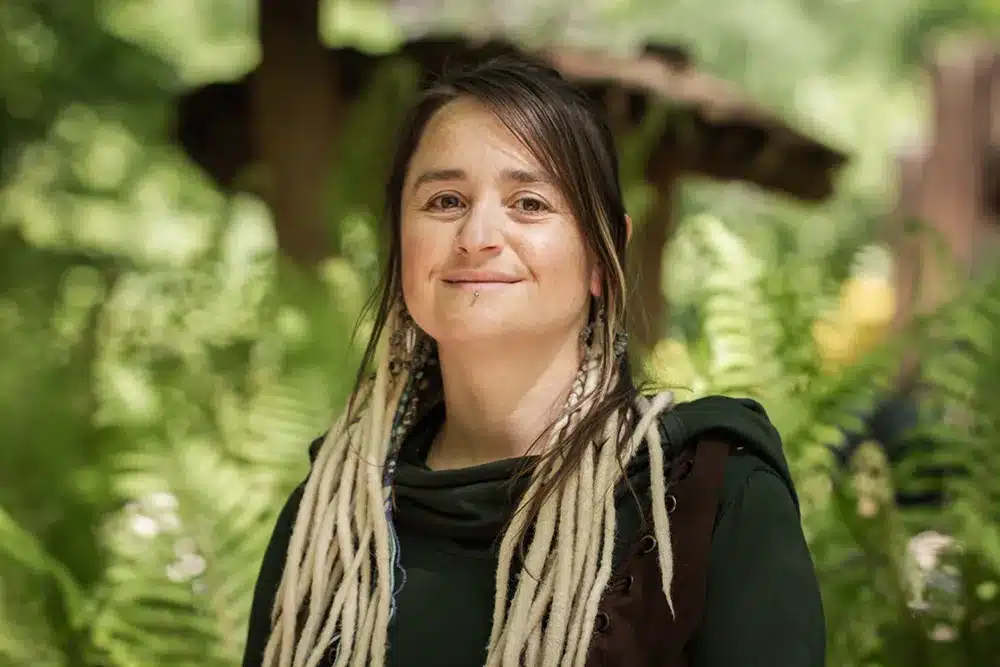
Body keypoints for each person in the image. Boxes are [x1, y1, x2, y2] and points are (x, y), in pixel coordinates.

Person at [242, 56, 825, 667]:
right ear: (402, 243)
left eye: (528, 203)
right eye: (444, 201)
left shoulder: (709, 496)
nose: (477, 235)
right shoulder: (330, 521)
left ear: (603, 256)